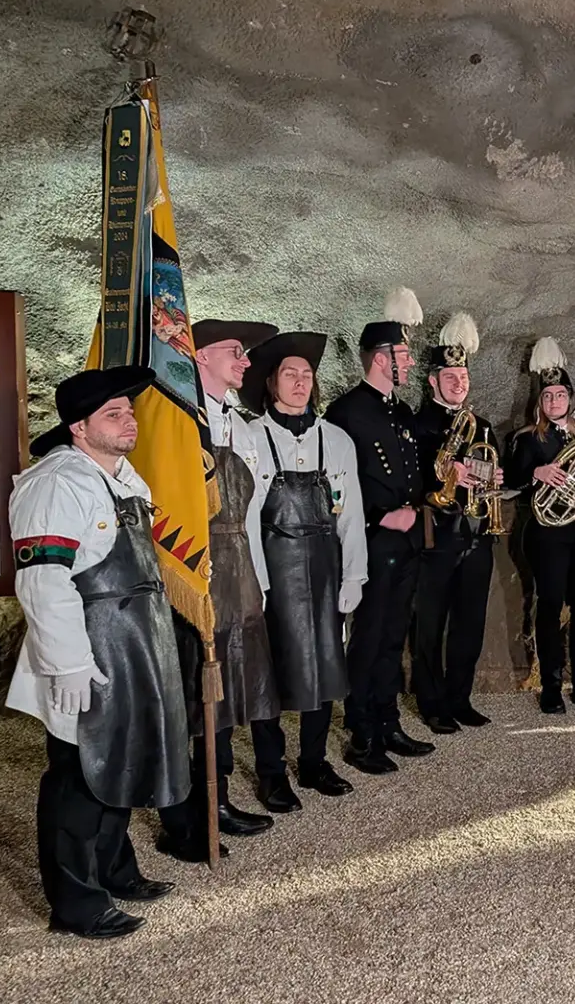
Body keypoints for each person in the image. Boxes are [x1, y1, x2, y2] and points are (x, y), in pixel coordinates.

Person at [7, 366, 189, 938]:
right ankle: (76, 904)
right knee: (78, 776)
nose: (128, 420)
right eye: (113, 414)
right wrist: (68, 664)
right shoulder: (56, 484)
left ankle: (114, 871)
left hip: (132, 648)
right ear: (78, 428)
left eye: (129, 411)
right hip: (86, 650)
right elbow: (44, 583)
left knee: (121, 760)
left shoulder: (124, 480)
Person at [157, 318, 280, 862]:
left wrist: (259, 580)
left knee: (227, 691)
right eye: (235, 351)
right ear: (200, 356)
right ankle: (184, 815)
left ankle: (219, 797)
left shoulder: (243, 428)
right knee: (192, 691)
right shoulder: (179, 423)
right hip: (196, 573)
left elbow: (251, 515)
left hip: (239, 574)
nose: (246, 362)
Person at [239, 331, 366, 810]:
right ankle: (272, 772)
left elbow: (350, 514)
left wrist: (354, 576)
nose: (299, 382)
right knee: (269, 672)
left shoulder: (336, 440)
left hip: (325, 570)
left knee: (326, 664)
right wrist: (257, 582)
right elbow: (245, 518)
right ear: (271, 383)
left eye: (306, 374)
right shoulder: (250, 438)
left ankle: (314, 761)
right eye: (289, 374)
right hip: (273, 571)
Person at [324, 288, 437, 773]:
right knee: (368, 638)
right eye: (403, 355)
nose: (409, 363)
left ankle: (388, 721)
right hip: (369, 541)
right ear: (380, 358)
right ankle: (361, 731)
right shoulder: (345, 412)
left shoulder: (402, 412)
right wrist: (377, 515)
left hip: (406, 541)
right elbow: (332, 483)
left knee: (393, 636)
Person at [505, 337, 575, 714]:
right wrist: (537, 472)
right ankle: (551, 685)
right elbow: (511, 478)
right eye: (547, 396)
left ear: (570, 397)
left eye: (560, 395)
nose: (554, 401)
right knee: (550, 605)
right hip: (548, 536)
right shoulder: (526, 439)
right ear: (539, 401)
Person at [411, 311, 502, 732]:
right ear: (433, 381)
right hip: (436, 538)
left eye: (463, 377)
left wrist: (495, 478)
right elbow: (410, 481)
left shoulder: (482, 427)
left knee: (470, 622)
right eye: (450, 377)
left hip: (477, 536)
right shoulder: (418, 425)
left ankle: (459, 698)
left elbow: (492, 475)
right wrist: (445, 476)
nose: (458, 383)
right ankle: (431, 703)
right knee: (429, 624)